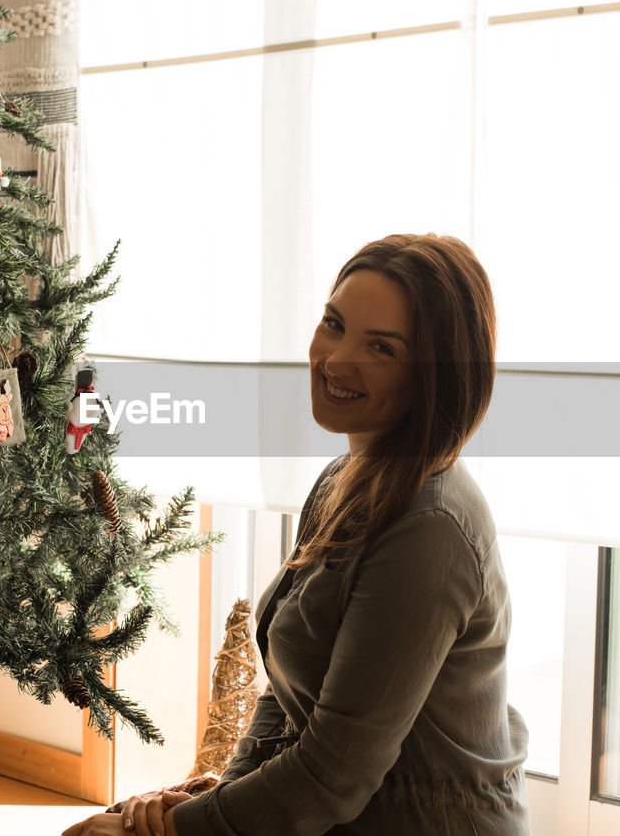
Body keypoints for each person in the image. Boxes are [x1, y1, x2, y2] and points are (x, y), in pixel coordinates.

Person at [62, 234, 530, 836]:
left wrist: (175, 832)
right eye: (333, 323)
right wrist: (221, 789)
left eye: (381, 348)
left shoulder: (429, 531)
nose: (336, 360)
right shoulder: (344, 479)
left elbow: (331, 776)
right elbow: (288, 700)